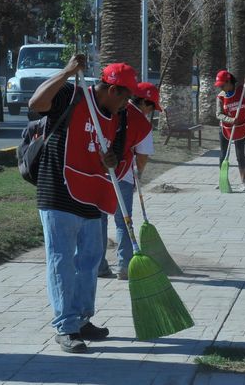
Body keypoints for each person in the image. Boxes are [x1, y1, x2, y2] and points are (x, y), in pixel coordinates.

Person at [29, 55, 137, 353]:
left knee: (89, 261)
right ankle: (66, 327)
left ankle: (82, 318)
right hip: (58, 191)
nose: (126, 105)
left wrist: (111, 158)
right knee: (62, 260)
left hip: (93, 195)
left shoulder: (120, 116)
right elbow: (36, 104)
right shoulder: (71, 95)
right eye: (125, 97)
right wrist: (66, 72)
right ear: (113, 90)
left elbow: (116, 153)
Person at [99, 82, 159, 280]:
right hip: (122, 176)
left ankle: (98, 265)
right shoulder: (142, 123)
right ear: (145, 103)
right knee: (123, 222)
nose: (150, 113)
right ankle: (124, 266)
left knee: (98, 220)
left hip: (98, 174)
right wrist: (137, 176)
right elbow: (142, 157)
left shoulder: (107, 108)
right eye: (151, 108)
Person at [215, 69, 245, 191]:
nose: (220, 87)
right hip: (225, 129)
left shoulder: (241, 90)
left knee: (240, 155)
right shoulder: (221, 96)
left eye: (222, 85)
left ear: (229, 82)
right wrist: (231, 120)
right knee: (223, 155)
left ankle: (243, 182)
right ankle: (223, 179)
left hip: (240, 128)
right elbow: (218, 114)